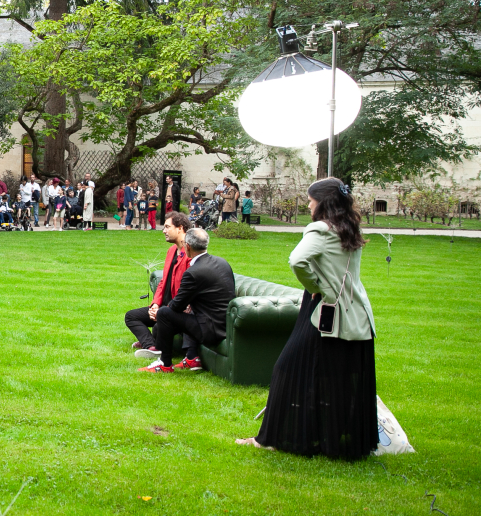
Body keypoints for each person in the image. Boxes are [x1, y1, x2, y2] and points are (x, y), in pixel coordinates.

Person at [239, 178, 377, 459]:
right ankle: (330, 439)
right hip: (356, 313)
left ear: (323, 202)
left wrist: (316, 288)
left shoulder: (322, 229)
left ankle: (271, 439)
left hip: (327, 311)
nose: (308, 204)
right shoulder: (348, 227)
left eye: (312, 199)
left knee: (286, 367)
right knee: (335, 375)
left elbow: (297, 260)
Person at [141, 228, 235, 373]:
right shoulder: (222, 262)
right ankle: (191, 357)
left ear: (188, 246)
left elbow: (177, 306)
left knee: (165, 313)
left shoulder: (193, 272)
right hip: (225, 325)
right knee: (186, 310)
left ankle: (164, 364)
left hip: (210, 330)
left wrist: (160, 310)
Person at [126, 212, 191, 358]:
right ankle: (150, 346)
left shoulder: (189, 253)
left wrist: (165, 310)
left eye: (167, 227)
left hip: (177, 309)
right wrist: (155, 304)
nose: (164, 231)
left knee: (157, 327)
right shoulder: (171, 250)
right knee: (131, 316)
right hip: (165, 306)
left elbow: (187, 290)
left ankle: (153, 344)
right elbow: (163, 281)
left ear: (180, 228)